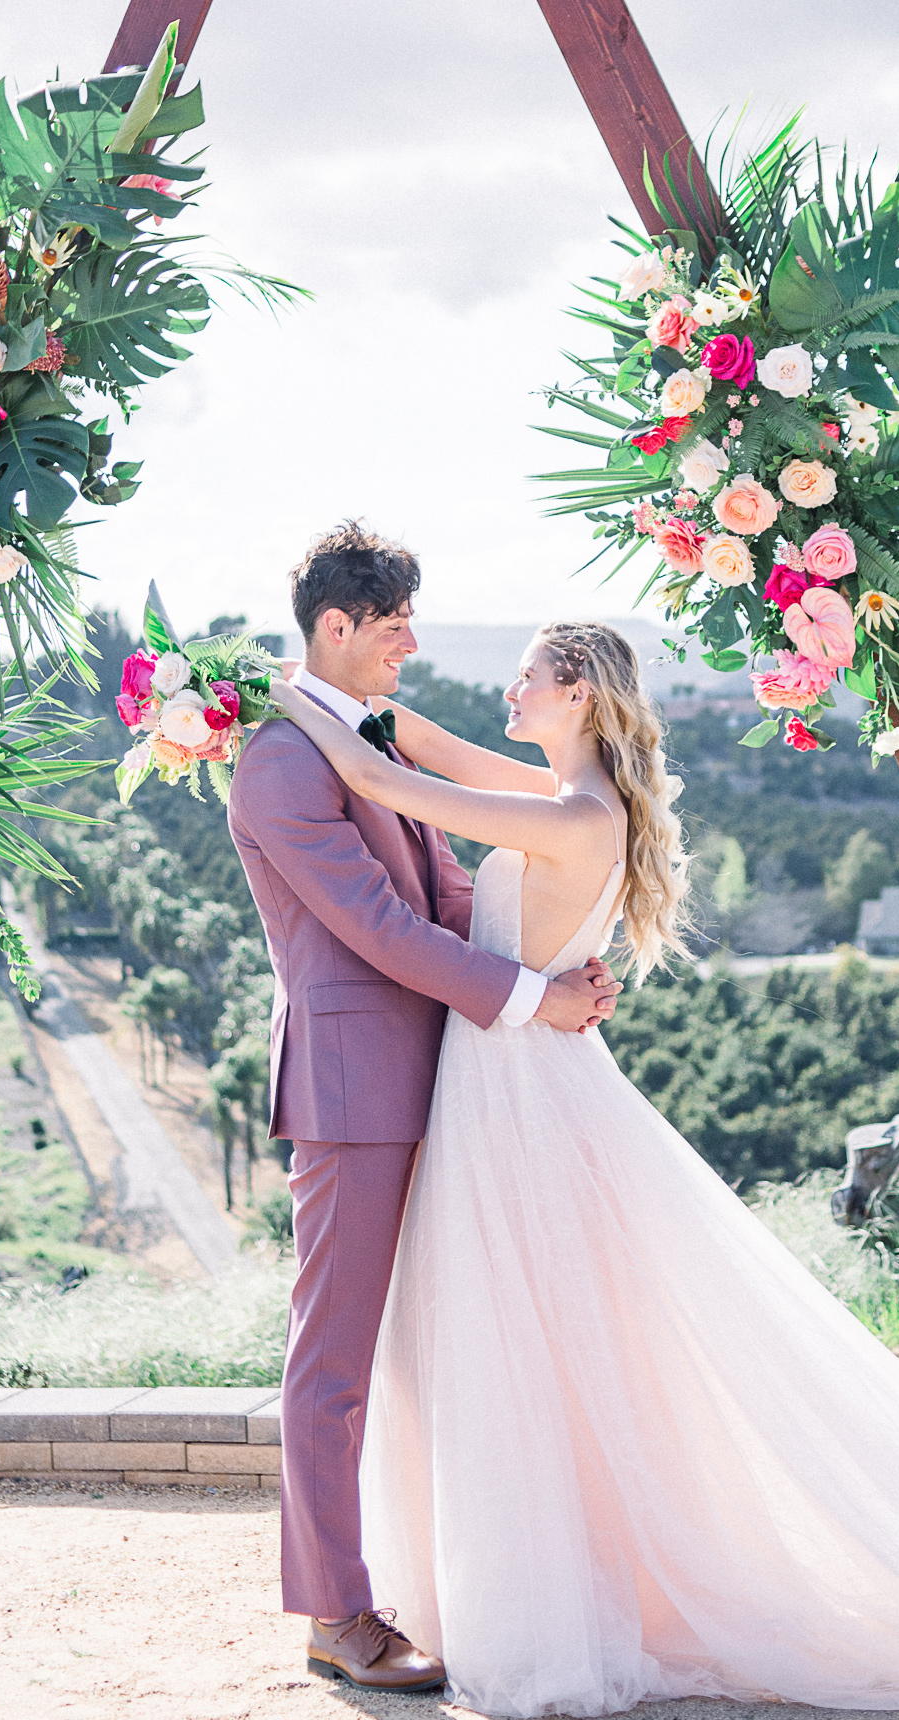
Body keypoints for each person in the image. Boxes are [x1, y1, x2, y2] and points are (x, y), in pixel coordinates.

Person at [271, 617, 899, 1718]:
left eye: (527, 678)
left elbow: (378, 770)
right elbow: (416, 737)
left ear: (582, 698)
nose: (507, 688)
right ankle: (529, 1577)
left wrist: (243, 685)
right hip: (514, 1077)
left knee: (521, 1337)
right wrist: (334, 687)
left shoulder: (570, 814)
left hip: (515, 1091)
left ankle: (546, 1599)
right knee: (530, 1339)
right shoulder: (567, 794)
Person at [227, 524, 621, 1694]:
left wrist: (538, 964)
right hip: (354, 1093)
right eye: (393, 620)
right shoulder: (285, 763)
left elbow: (445, 889)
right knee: (334, 1360)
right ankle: (337, 1613)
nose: (411, 638)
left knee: (433, 1349)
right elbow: (379, 930)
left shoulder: (353, 739)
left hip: (447, 1076)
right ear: (334, 626)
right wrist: (528, 997)